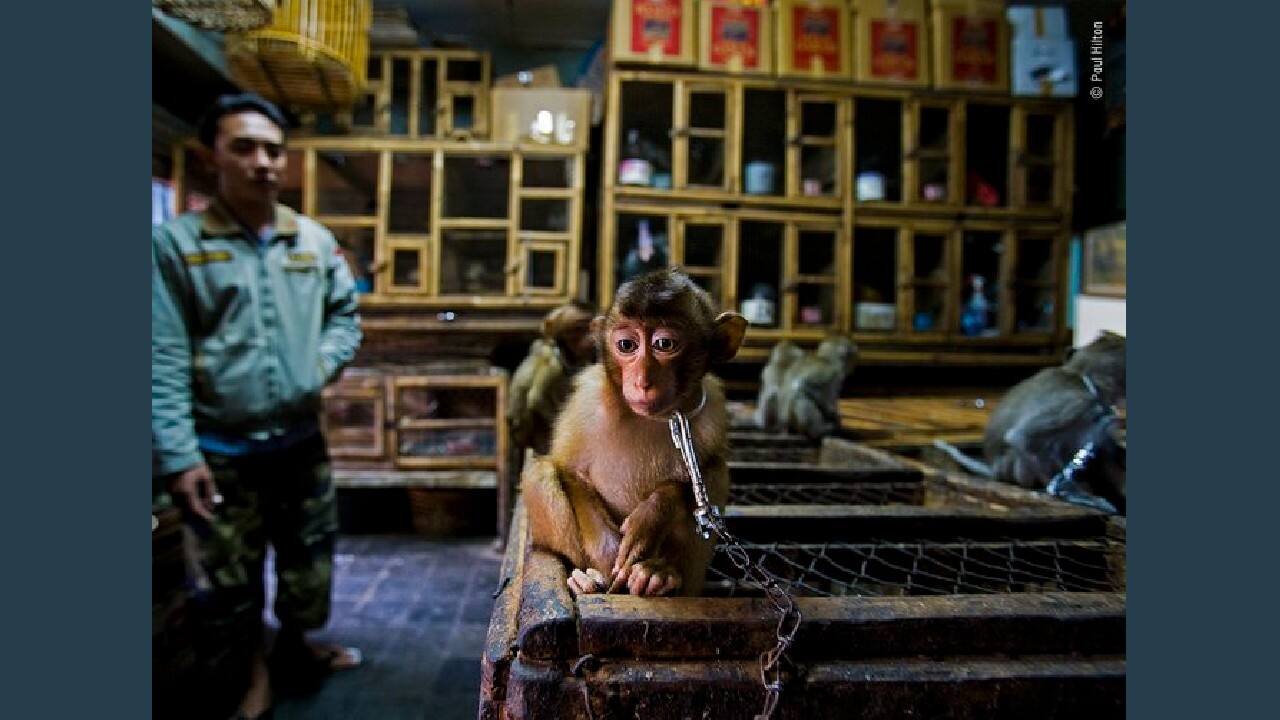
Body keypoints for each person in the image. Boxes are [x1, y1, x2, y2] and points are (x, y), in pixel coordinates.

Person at [152, 93, 363, 720]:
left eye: (273, 148)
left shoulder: (313, 241)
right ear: (210, 155)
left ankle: (298, 648)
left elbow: (345, 318)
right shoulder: (177, 248)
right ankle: (251, 673)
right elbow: (158, 356)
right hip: (220, 451)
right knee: (228, 582)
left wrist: (317, 367)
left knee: (309, 562)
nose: (263, 161)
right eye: (244, 146)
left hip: (299, 442)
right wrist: (179, 454)